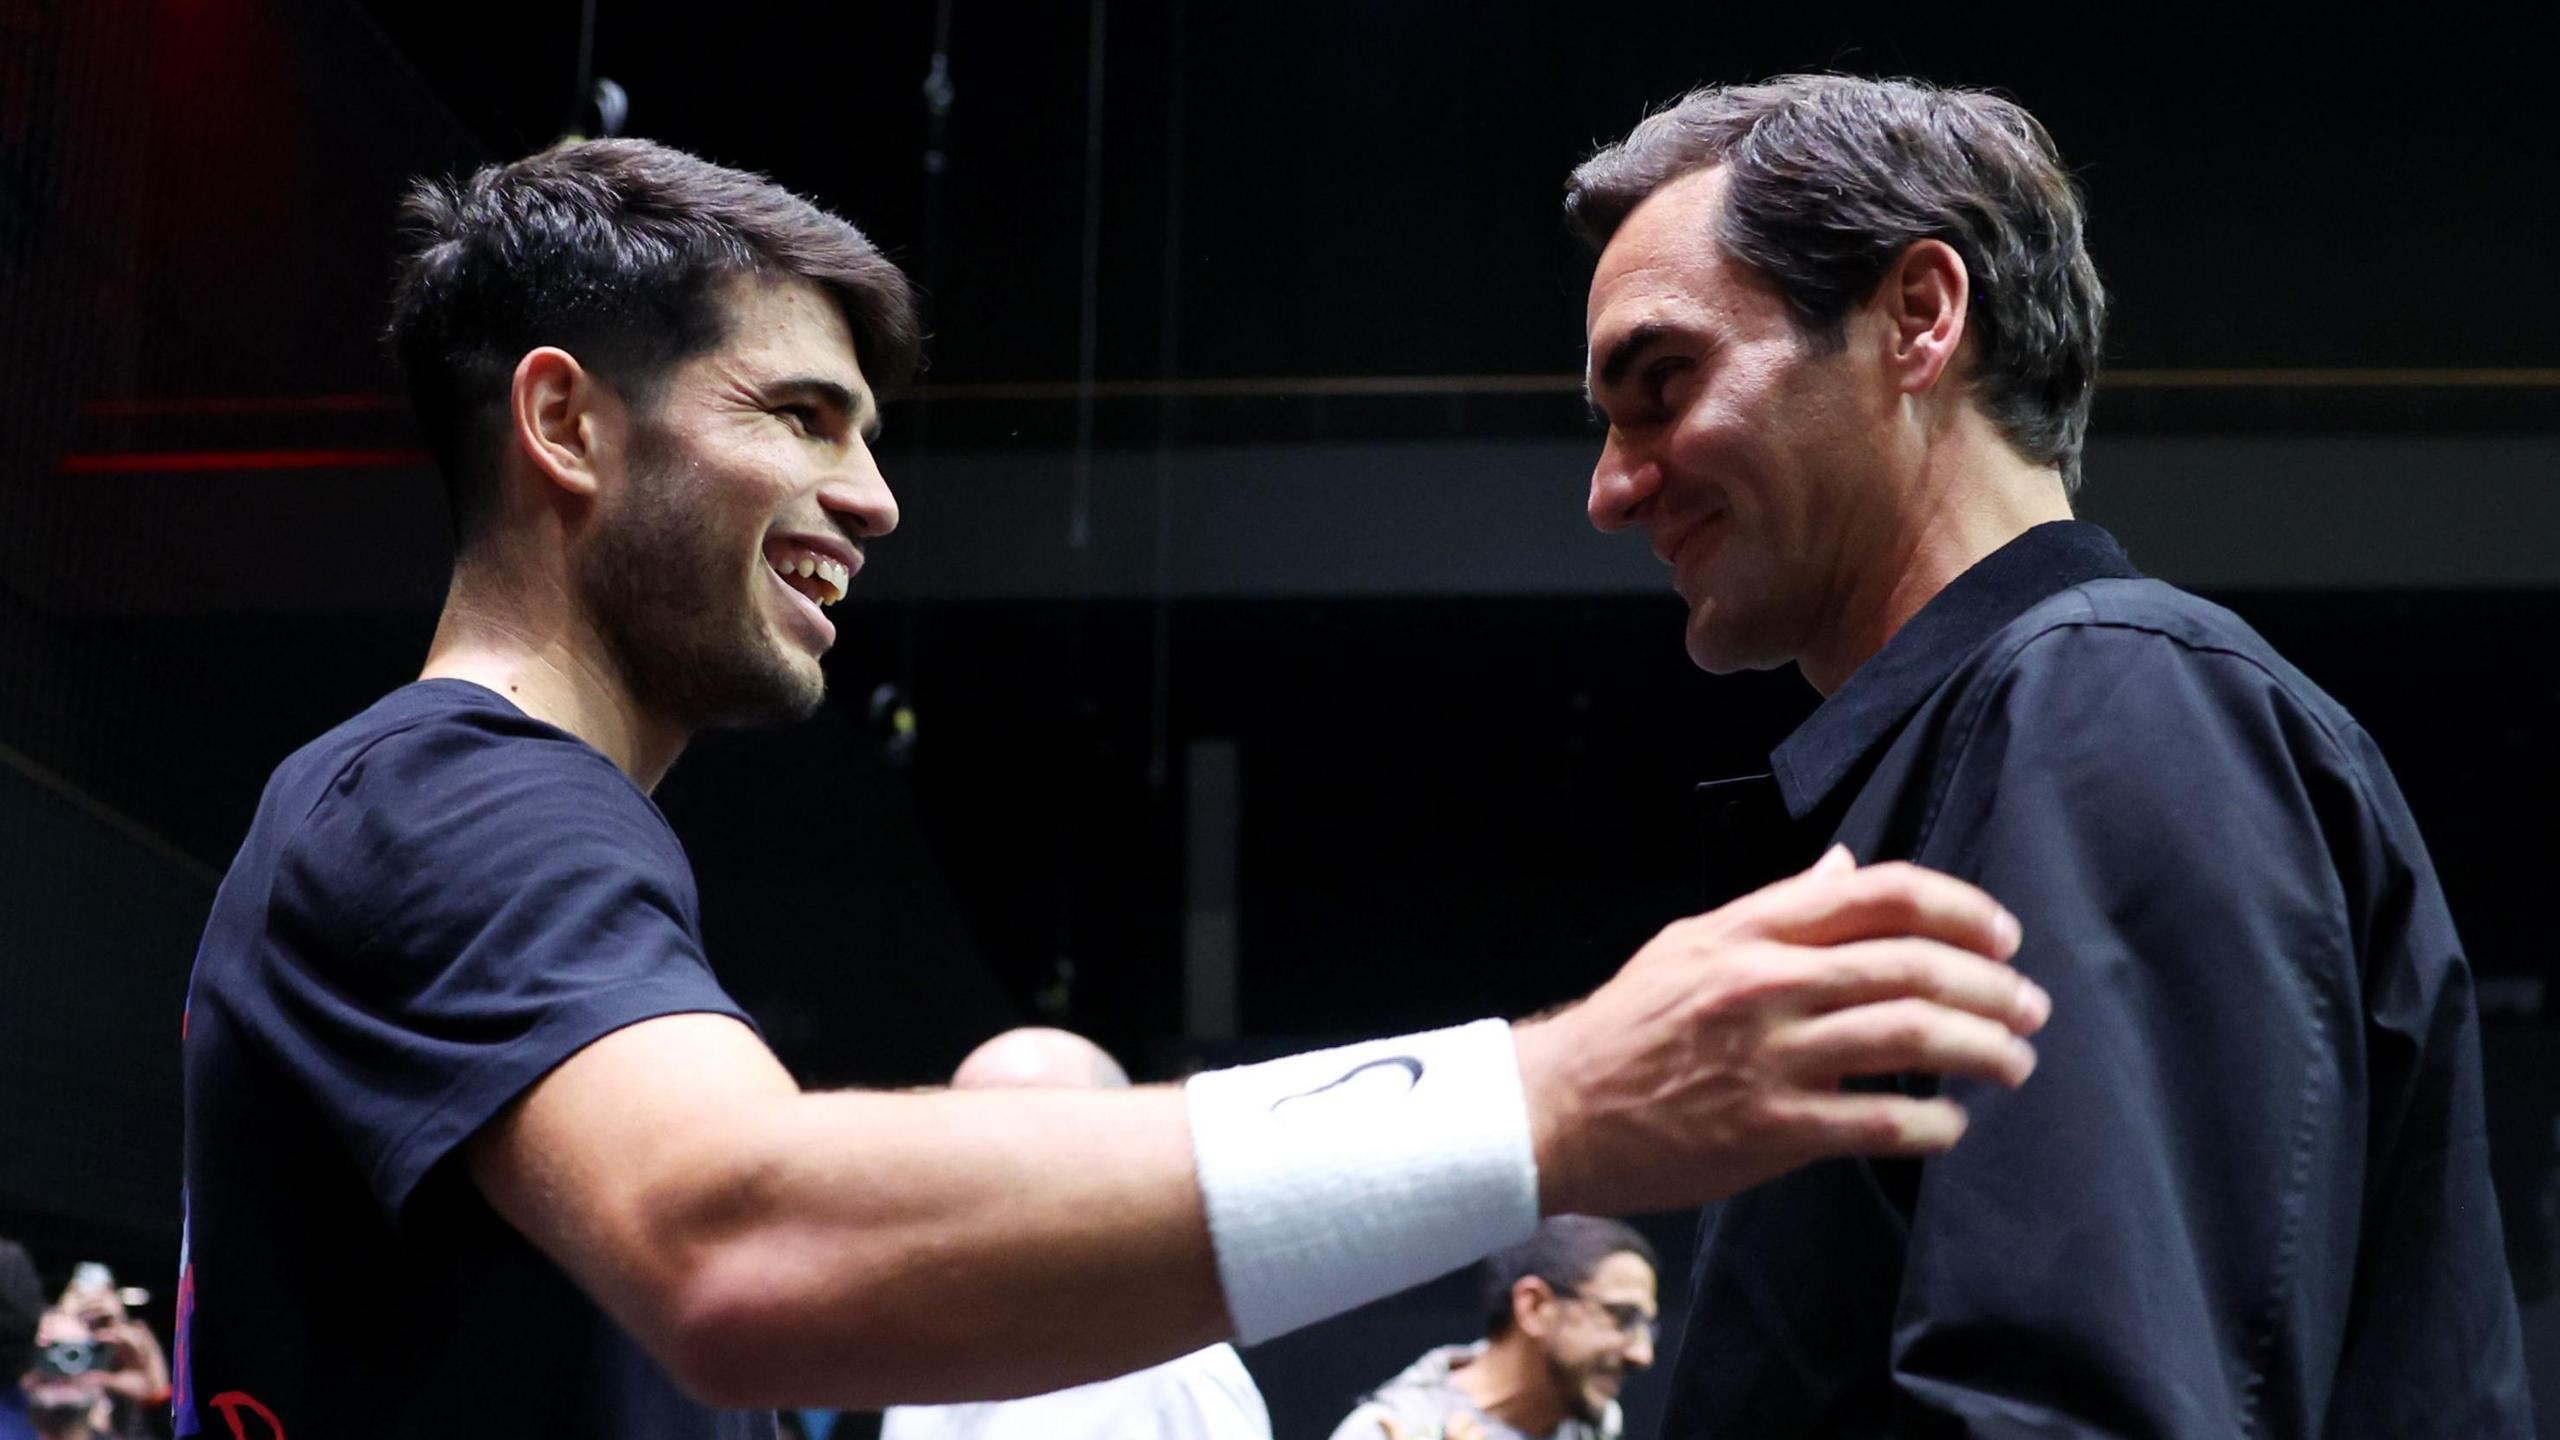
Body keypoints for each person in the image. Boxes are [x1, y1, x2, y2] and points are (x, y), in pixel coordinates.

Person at [176, 136, 2050, 1438]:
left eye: (870, 435)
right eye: (799, 418)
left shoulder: (480, 821)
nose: (876, 499)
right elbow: (738, 1245)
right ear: (567, 423)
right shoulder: (451, 796)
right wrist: (1560, 1091)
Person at [1566, 74, 2530, 1436]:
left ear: (1918, 316)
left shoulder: (2102, 702)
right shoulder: (2033, 728)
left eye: (1661, 384)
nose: (1612, 488)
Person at [879, 1028, 1272, 1440]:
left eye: (1026, 1132)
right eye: (959, 1131)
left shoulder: (1177, 1380)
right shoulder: (930, 1374)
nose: (986, 1165)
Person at [1329, 1216, 1657, 1440]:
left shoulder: (1593, 1422)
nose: (1642, 1355)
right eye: (1621, 1317)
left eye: (1646, 1327)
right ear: (1535, 1306)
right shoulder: (1392, 1429)